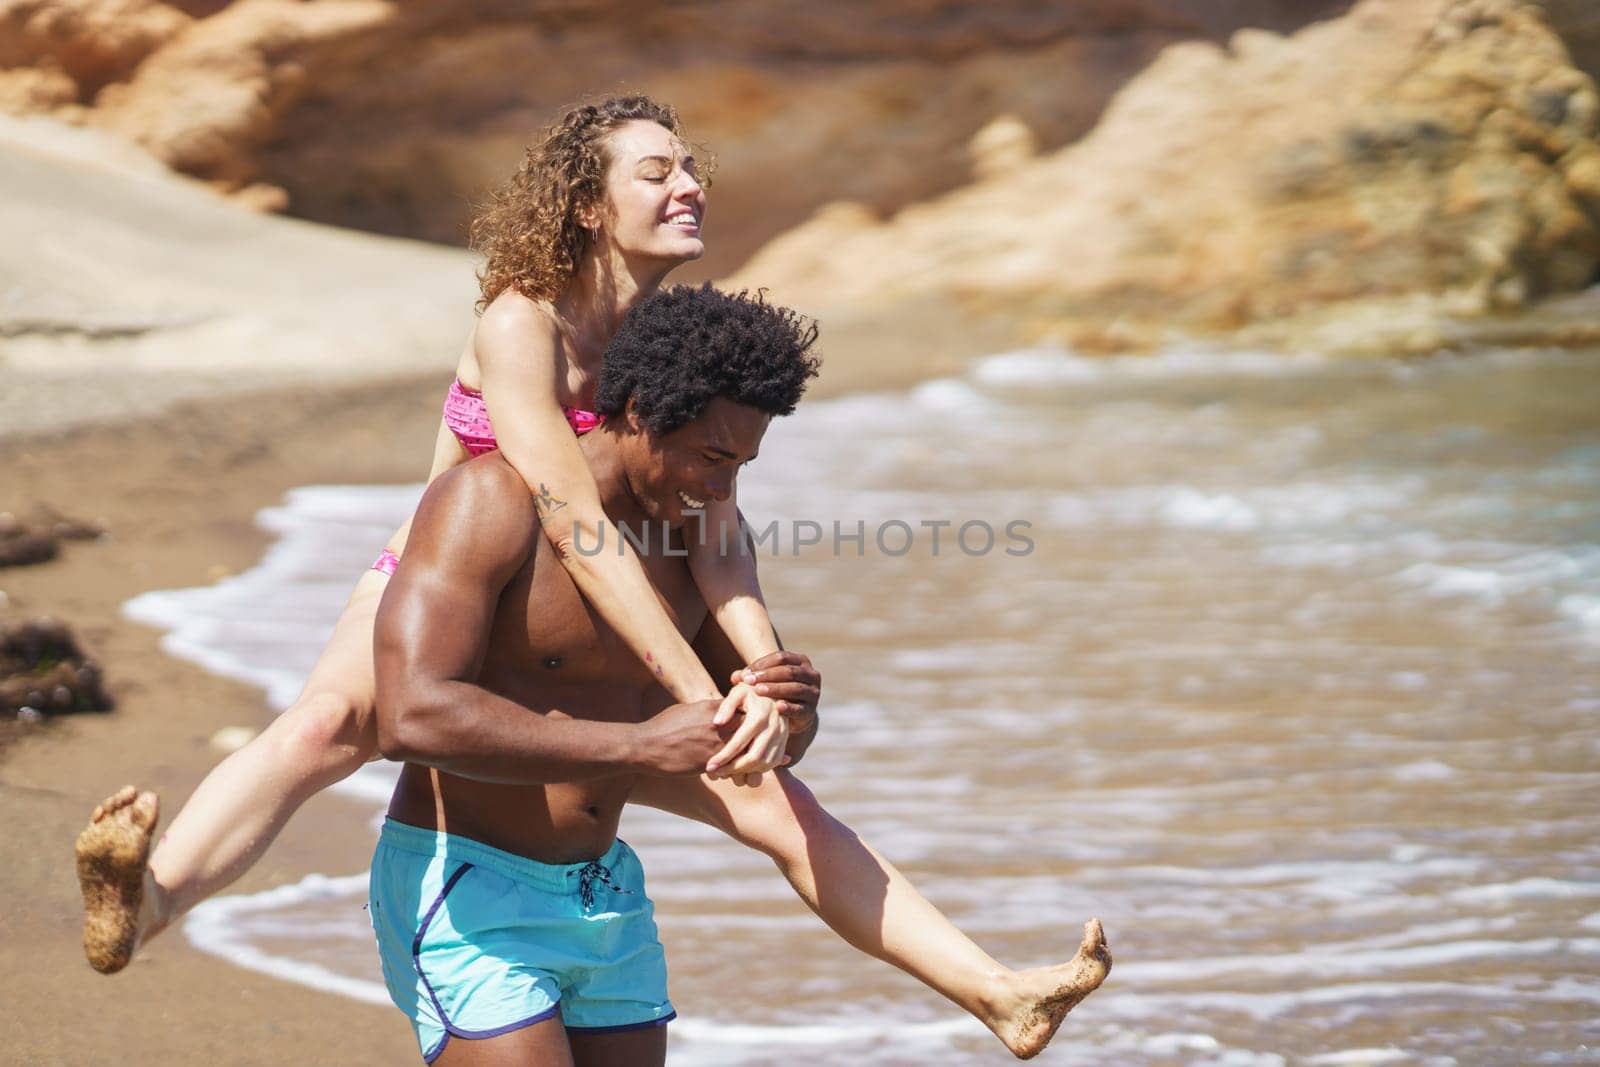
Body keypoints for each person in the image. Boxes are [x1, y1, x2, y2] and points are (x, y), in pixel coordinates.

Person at [76, 96, 1106, 1059]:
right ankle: (153, 898)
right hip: (457, 563)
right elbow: (572, 518)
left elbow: (718, 533)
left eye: (692, 167)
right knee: (326, 725)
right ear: (586, 205)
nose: (688, 185)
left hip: (603, 577)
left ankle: (992, 989)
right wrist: (698, 701)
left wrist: (762, 674)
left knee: (777, 801)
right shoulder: (524, 319)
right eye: (655, 172)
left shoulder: (669, 344)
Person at [369, 284, 1109, 1065]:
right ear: (640, 407)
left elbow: (757, 741)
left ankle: (992, 991)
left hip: (601, 894)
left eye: (741, 464)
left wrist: (793, 712)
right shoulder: (488, 503)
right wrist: (637, 746)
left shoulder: (695, 538)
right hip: (470, 890)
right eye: (712, 456)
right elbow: (410, 716)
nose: (722, 489)